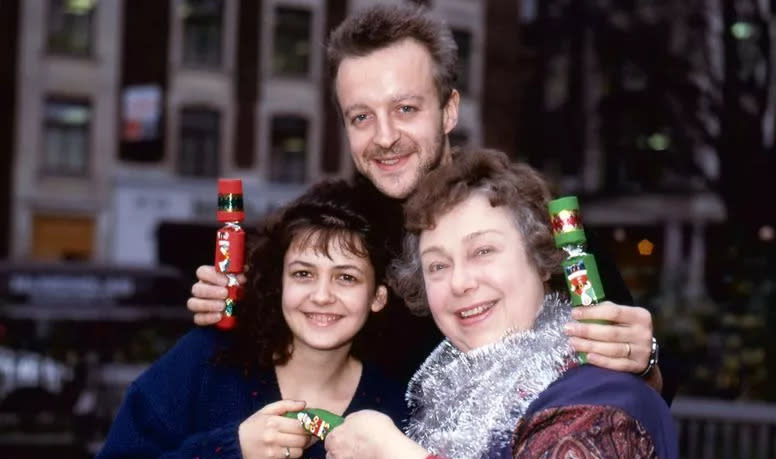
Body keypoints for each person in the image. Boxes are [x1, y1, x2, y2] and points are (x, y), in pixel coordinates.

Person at [187, 4, 673, 402]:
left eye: (405, 109)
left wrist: (644, 359)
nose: (384, 138)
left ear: (449, 110)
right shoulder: (328, 228)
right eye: (361, 117)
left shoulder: (525, 215)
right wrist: (235, 305)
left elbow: (648, 385)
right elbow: (260, 339)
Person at [324, 148, 678, 459]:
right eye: (438, 265)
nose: (460, 283)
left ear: (542, 260)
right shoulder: (446, 405)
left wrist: (389, 452)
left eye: (483, 251)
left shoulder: (599, 393)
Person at [86, 179, 408, 459]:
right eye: (303, 274)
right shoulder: (209, 360)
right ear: (280, 282)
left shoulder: (398, 410)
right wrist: (230, 456)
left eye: (346, 278)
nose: (321, 296)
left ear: (377, 296)